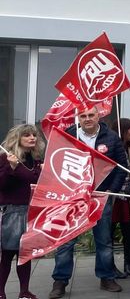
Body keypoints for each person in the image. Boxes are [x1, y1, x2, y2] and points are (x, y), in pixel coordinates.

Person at [51, 106, 128, 298]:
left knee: (104, 240)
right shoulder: (69, 135)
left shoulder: (111, 137)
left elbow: (121, 166)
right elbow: (56, 162)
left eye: (90, 115)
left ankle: (106, 277)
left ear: (98, 115)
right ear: (78, 117)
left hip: (101, 196)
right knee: (66, 241)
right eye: (83, 115)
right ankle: (60, 281)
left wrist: (113, 190)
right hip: (73, 198)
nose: (87, 119)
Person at [0, 124, 44, 299]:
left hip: (32, 211)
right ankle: (1, 292)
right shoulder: (6, 158)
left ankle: (24, 291)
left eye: (34, 135)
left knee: (25, 255)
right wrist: (11, 168)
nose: (32, 138)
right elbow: (2, 185)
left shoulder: (36, 159)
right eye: (27, 135)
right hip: (13, 211)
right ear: (17, 138)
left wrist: (43, 172)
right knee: (8, 253)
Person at [110, 117, 130, 279]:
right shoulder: (113, 148)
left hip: (129, 196)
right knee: (109, 233)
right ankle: (110, 265)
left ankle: (128, 263)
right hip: (114, 196)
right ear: (123, 130)